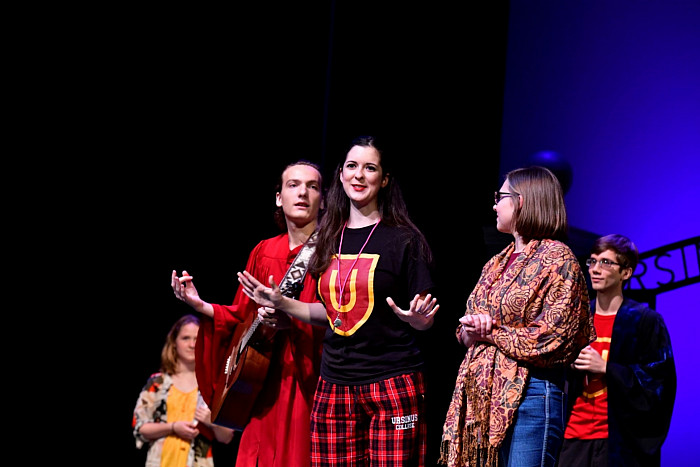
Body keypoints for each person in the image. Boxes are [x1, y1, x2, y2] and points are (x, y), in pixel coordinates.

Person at [238, 135, 440, 466]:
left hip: (390, 381)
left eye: (370, 168)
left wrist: (418, 319)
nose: (359, 175)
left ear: (384, 179)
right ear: (341, 175)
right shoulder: (328, 237)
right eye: (352, 166)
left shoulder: (404, 239)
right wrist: (281, 301)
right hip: (334, 385)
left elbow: (424, 314)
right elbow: (332, 312)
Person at [171, 160, 326, 467]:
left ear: (323, 200)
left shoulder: (332, 251)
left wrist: (291, 319)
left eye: (312, 187)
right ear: (279, 197)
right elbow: (242, 317)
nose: (303, 193)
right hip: (262, 380)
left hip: (307, 377)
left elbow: (342, 319)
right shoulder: (263, 250)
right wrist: (200, 304)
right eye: (293, 185)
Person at [439, 166, 596, 467]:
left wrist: (490, 332)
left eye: (501, 197)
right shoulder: (495, 263)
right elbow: (466, 327)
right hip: (481, 395)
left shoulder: (558, 259)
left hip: (531, 394)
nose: (495, 205)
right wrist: (472, 329)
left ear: (521, 201)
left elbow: (551, 338)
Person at [557, 234, 677, 467]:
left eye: (606, 262)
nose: (595, 269)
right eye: (592, 261)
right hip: (573, 438)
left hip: (618, 442)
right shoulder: (576, 319)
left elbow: (659, 383)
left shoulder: (644, 321)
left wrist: (606, 368)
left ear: (626, 272)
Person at [132, 314, 236, 467]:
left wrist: (211, 422)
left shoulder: (213, 386)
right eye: (185, 338)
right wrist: (173, 427)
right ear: (174, 342)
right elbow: (140, 427)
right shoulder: (157, 383)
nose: (192, 344)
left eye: (197, 339)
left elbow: (227, 437)